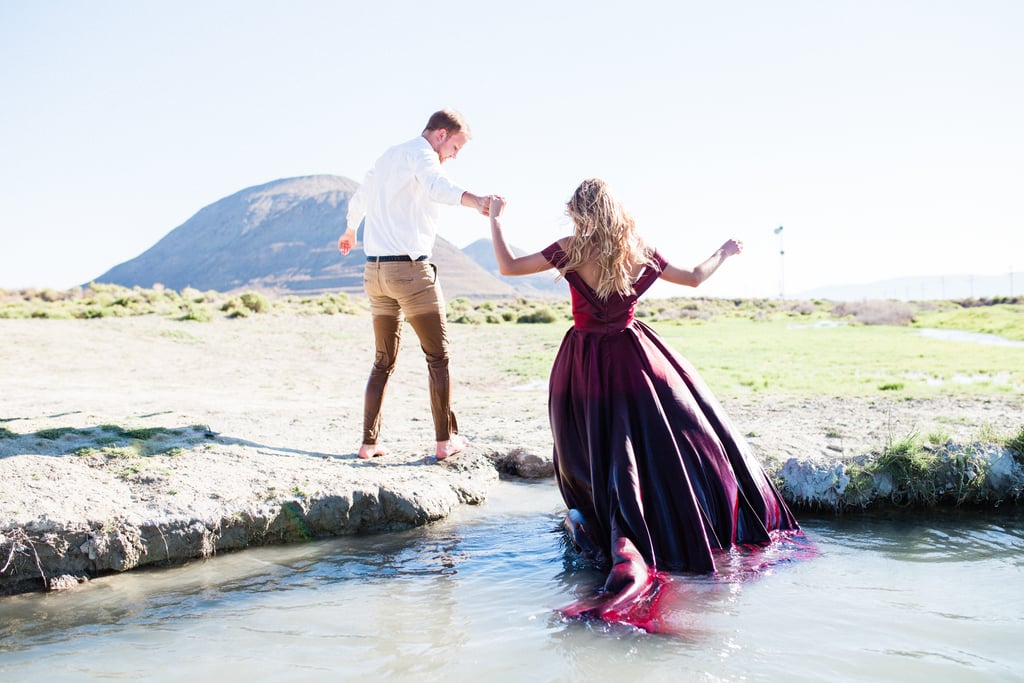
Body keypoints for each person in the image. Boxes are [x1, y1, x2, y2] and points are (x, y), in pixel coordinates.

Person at [486, 179, 803, 626]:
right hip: (633, 359)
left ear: (578, 212)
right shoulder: (638, 251)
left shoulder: (570, 249)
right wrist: (725, 252)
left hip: (583, 361)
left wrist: (496, 220)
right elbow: (693, 277)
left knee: (589, 441)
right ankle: (654, 519)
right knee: (641, 444)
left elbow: (507, 266)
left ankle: (597, 523)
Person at [338, 109, 490, 461]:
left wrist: (349, 229)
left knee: (382, 361)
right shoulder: (422, 154)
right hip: (409, 273)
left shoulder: (387, 157)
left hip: (375, 274)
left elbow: (360, 197)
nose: (454, 155)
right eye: (454, 147)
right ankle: (444, 442)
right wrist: (477, 201)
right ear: (439, 135)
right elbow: (439, 188)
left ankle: (369, 443)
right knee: (439, 357)